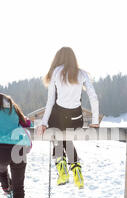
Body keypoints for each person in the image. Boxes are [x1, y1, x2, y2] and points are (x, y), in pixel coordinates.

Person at [37, 47, 100, 189]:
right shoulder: (82, 74)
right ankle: (77, 171)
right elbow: (93, 98)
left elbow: (50, 101)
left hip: (58, 118)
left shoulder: (55, 72)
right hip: (77, 119)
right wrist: (95, 121)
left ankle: (62, 170)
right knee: (66, 138)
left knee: (56, 134)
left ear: (58, 58)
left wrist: (44, 123)